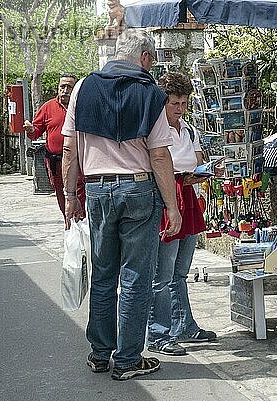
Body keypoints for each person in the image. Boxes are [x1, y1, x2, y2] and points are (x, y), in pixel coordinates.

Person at [61, 29, 182, 381]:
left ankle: (100, 354)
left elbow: (69, 149)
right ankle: (128, 359)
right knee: (135, 279)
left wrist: (71, 196)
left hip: (97, 191)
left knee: (104, 275)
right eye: (153, 60)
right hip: (139, 191)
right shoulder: (150, 94)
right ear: (144, 58)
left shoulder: (83, 87)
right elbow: (159, 156)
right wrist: (172, 207)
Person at [146, 72, 217, 356]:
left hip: (189, 198)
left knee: (181, 272)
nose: (179, 108)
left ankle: (183, 325)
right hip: (168, 200)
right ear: (163, 102)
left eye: (184, 103)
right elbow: (157, 165)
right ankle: (159, 333)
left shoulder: (188, 129)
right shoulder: (155, 130)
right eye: (174, 103)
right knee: (162, 274)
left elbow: (198, 160)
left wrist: (206, 172)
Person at [24, 74, 86, 220]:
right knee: (61, 193)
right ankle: (68, 224)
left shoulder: (82, 106)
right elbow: (36, 131)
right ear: (58, 88)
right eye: (62, 86)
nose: (65, 90)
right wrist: (31, 130)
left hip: (77, 160)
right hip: (55, 162)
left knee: (79, 191)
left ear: (75, 89)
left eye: (69, 87)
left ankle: (81, 221)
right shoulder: (48, 107)